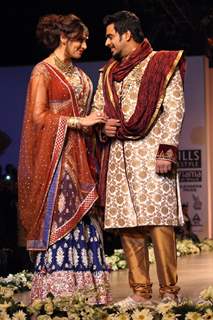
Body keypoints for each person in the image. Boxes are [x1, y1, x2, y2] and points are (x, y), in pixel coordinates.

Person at [92, 10, 185, 307]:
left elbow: (175, 109)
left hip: (151, 155)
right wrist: (102, 126)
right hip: (119, 157)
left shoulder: (161, 63)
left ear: (126, 34)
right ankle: (140, 292)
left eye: (110, 36)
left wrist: (166, 152)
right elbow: (98, 109)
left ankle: (169, 292)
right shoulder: (108, 73)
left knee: (159, 223)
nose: (106, 42)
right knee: (128, 225)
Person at [18, 13, 111, 305]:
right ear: (63, 37)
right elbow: (37, 117)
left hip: (83, 157)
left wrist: (97, 124)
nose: (85, 45)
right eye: (79, 39)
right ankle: (59, 291)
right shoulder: (42, 72)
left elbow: (87, 115)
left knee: (87, 221)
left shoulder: (81, 75)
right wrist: (78, 122)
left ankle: (90, 292)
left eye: (86, 40)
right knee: (62, 218)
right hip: (57, 162)